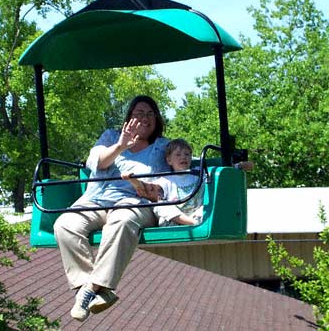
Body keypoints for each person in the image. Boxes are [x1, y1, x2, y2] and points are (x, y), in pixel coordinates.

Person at [53, 95, 169, 321]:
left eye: (149, 114)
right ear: (128, 118)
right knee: (65, 224)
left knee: (122, 221)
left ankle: (88, 291)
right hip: (96, 200)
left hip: (135, 201)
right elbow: (95, 163)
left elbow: (183, 162)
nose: (144, 118)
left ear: (156, 119)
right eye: (138, 113)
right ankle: (97, 291)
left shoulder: (163, 146)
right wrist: (120, 146)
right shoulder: (110, 136)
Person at [122, 138, 254, 227]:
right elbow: (148, 191)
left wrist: (239, 166)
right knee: (160, 205)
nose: (183, 157)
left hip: (198, 214)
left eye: (187, 154)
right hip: (175, 220)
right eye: (178, 155)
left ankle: (194, 222)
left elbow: (220, 172)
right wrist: (133, 180)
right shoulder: (166, 179)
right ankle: (189, 222)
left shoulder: (198, 173)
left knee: (210, 207)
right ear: (169, 160)